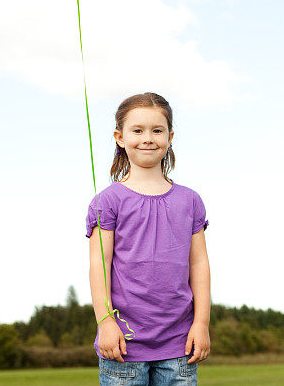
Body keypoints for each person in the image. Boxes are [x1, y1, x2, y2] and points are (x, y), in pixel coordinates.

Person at [86, 92, 211, 386]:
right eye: (137, 130)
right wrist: (105, 322)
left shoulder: (190, 201)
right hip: (124, 345)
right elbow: (98, 265)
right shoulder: (108, 201)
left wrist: (202, 323)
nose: (148, 138)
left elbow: (200, 264)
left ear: (170, 137)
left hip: (179, 345)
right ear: (120, 137)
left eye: (157, 130)